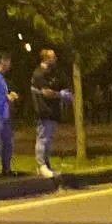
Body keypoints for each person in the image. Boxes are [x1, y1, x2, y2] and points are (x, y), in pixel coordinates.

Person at [31, 48, 66, 178]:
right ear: (46, 58)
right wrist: (60, 95)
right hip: (43, 110)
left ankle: (46, 165)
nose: (55, 59)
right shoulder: (39, 74)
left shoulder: (51, 73)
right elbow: (46, 92)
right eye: (53, 57)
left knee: (48, 140)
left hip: (51, 111)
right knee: (43, 139)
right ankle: (41, 165)